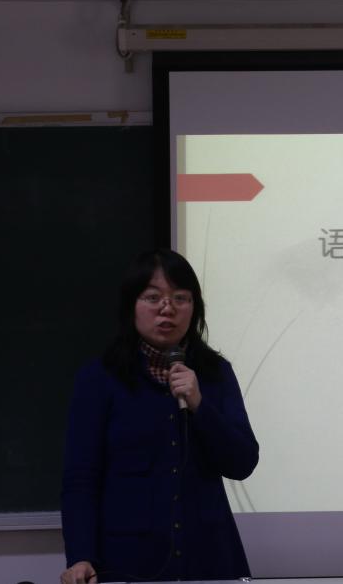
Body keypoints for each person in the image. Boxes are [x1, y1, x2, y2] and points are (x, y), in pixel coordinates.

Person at [60, 249, 259, 583]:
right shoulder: (99, 378)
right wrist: (81, 555)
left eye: (180, 298)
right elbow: (81, 478)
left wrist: (199, 405)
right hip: (127, 561)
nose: (167, 308)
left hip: (209, 558)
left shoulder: (215, 374)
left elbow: (242, 463)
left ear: (195, 308)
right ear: (132, 306)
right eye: (153, 298)